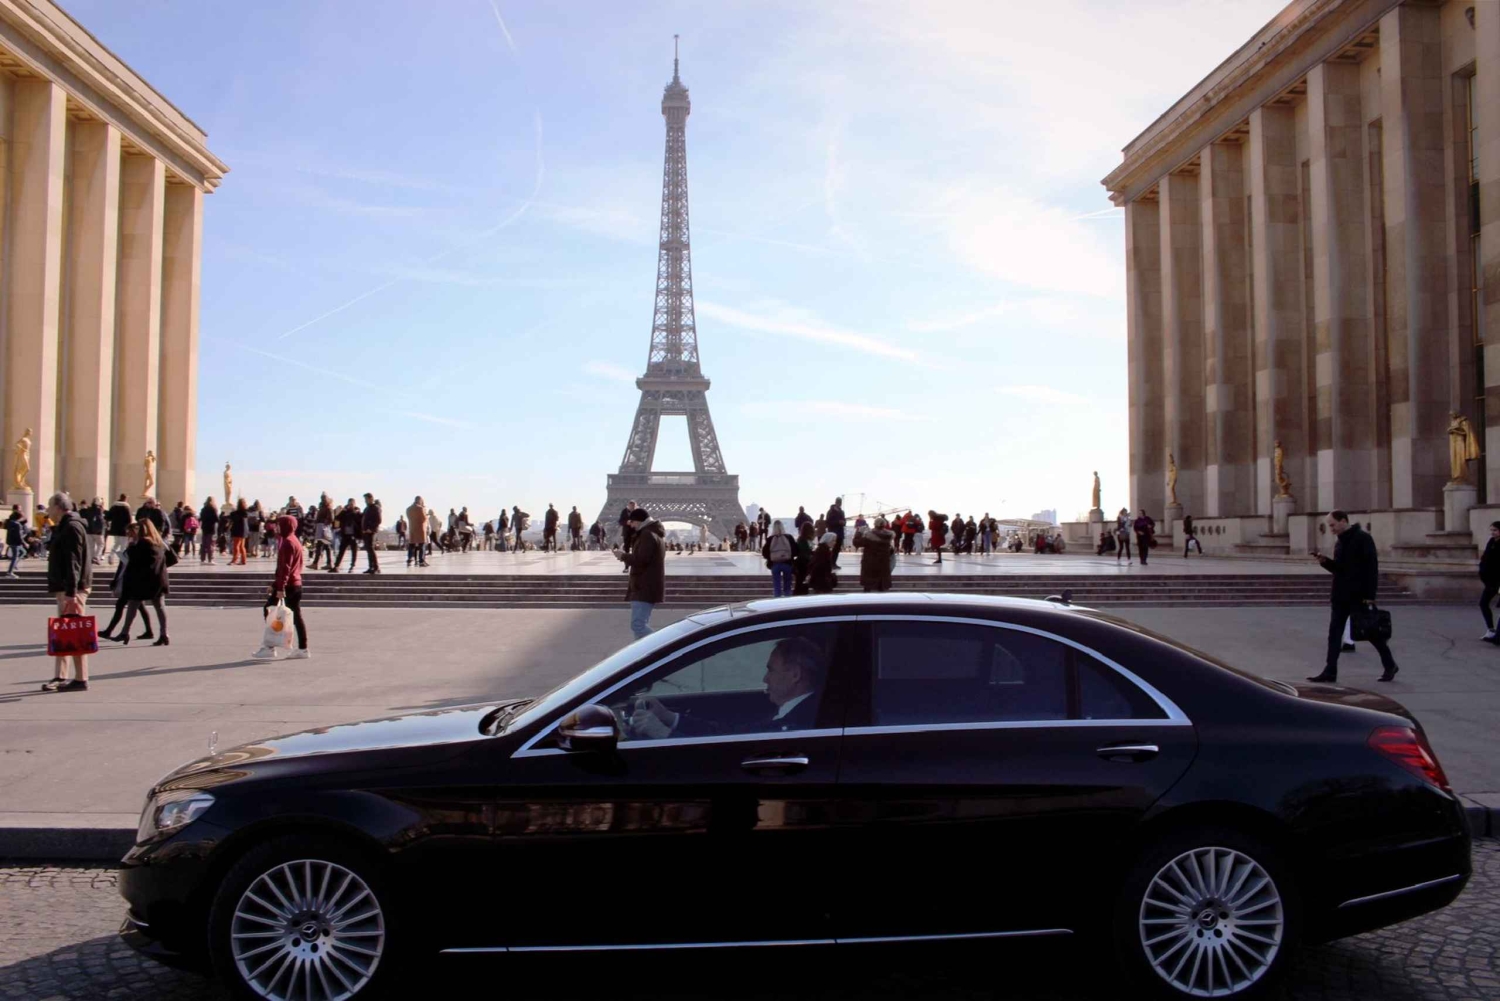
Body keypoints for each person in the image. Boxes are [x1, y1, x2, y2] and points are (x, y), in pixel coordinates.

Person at [628, 637, 826, 738]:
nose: (765, 679)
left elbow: (721, 756)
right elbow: (727, 732)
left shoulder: (797, 723)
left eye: (771, 670)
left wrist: (662, 734)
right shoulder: (796, 712)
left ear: (795, 675)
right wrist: (669, 717)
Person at [1307, 511, 1398, 684]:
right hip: (1340, 595)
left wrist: (1370, 596)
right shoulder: (1340, 542)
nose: (1331, 529)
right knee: (1334, 634)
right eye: (1329, 526)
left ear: (1343, 521)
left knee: (1371, 632)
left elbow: (1372, 568)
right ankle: (1330, 671)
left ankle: (1390, 664)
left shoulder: (1363, 538)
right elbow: (1340, 570)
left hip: (1358, 595)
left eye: (1333, 525)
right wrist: (1325, 562)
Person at [41, 492, 93, 692]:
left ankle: (81, 678)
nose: (47, 510)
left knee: (75, 632)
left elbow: (74, 562)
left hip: (72, 588)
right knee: (64, 632)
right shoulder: (66, 526)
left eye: (49, 506)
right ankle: (61, 675)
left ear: (58, 507)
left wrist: (71, 593)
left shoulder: (72, 527)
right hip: (67, 587)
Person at [114, 518, 171, 648]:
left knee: (133, 605)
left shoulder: (142, 543)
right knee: (160, 607)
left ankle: (124, 632)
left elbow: (133, 559)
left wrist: (130, 547)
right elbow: (170, 558)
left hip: (143, 580)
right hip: (158, 579)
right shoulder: (159, 543)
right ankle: (164, 634)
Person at [262, 514, 309, 660]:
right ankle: (303, 649)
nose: (276, 527)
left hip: (288, 585)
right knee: (296, 617)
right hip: (295, 583)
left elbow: (285, 568)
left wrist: (280, 588)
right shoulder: (295, 540)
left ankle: (270, 647)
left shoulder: (287, 542)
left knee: (269, 610)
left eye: (279, 524)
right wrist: (275, 584)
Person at [614, 507, 664, 639]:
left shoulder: (647, 535)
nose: (630, 524)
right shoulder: (654, 533)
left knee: (638, 625)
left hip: (644, 586)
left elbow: (642, 560)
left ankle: (661, 645)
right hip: (646, 585)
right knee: (639, 626)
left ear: (640, 521)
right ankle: (644, 655)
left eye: (632, 521)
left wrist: (623, 556)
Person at [855, 516, 896, 592]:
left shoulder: (868, 536)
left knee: (868, 588)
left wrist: (859, 532)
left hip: (870, 565)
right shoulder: (888, 536)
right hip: (883, 566)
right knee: (882, 589)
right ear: (884, 525)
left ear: (874, 524)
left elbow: (856, 542)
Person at [762, 520, 797, 598]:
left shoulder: (770, 539)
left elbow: (764, 552)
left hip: (775, 564)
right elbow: (795, 550)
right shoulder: (789, 537)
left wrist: (771, 557)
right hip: (787, 563)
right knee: (787, 586)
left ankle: (777, 602)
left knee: (777, 586)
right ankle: (787, 602)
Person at [1481, 522, 1500, 643]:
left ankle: (1496, 635)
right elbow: (1485, 558)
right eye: (1491, 530)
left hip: (1497, 581)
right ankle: (1491, 630)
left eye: (1495, 530)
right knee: (1483, 603)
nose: (1492, 532)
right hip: (1490, 581)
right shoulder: (1491, 542)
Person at [332, 498, 361, 572]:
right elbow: (337, 518)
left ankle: (352, 566)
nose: (350, 505)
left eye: (352, 504)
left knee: (354, 551)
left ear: (354, 504)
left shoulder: (357, 512)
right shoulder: (344, 512)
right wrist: (341, 510)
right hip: (345, 534)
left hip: (353, 535)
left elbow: (359, 522)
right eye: (349, 504)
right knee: (341, 551)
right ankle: (336, 566)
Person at [106, 494, 132, 562]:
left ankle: (111, 554)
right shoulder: (126, 507)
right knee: (123, 545)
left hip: (115, 528)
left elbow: (108, 516)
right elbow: (129, 519)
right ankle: (122, 559)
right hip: (124, 529)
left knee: (117, 543)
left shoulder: (114, 506)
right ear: (125, 499)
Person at [360, 492, 382, 574]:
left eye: (367, 499)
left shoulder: (375, 508)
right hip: (365, 531)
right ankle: (370, 566)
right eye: (365, 499)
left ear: (371, 499)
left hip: (371, 531)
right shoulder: (367, 508)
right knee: (368, 549)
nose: (365, 501)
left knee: (371, 549)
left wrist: (371, 528)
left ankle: (376, 567)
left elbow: (378, 520)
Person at [405, 496, 429, 567]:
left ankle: (409, 559)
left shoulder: (408, 509)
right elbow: (424, 519)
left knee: (411, 545)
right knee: (422, 544)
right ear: (420, 501)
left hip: (412, 528)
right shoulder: (421, 508)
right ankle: (421, 560)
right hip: (420, 528)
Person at [82, 498, 106, 565]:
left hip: (89, 530)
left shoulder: (88, 509)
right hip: (98, 531)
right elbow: (101, 520)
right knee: (101, 544)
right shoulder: (99, 510)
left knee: (91, 545)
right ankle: (96, 557)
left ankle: (91, 558)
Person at [198, 497, 220, 564]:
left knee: (204, 544)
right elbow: (217, 519)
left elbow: (200, 518)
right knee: (210, 544)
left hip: (204, 528)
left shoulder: (203, 509)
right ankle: (210, 560)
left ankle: (202, 560)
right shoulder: (213, 509)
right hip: (211, 528)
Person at [228, 498, 250, 564]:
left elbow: (232, 519)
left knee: (236, 545)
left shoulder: (235, 513)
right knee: (242, 546)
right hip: (244, 530)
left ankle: (234, 559)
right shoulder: (245, 512)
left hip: (237, 530)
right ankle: (243, 560)